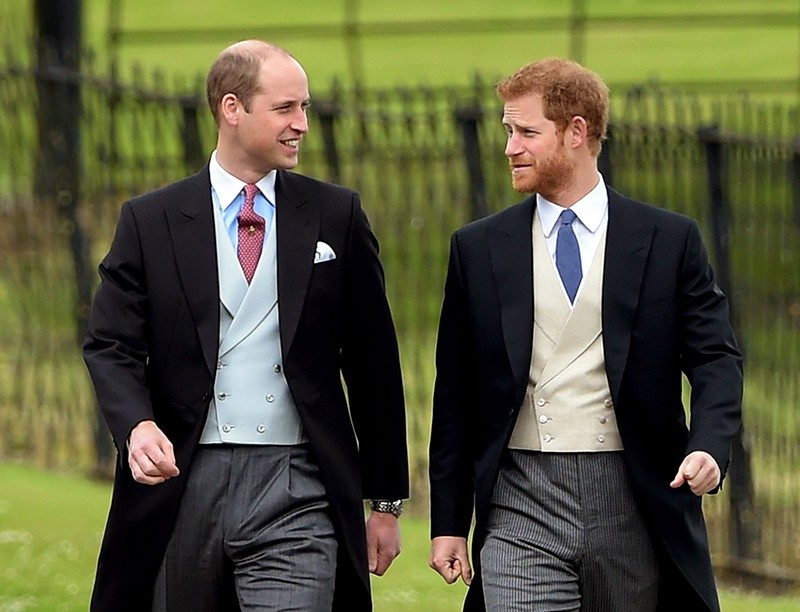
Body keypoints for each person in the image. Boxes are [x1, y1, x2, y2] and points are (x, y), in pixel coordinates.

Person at [83, 39, 408, 612]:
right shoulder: (150, 219)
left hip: (298, 484)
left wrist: (385, 502)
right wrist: (135, 425)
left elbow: (373, 361)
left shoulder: (337, 214)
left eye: (305, 108)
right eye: (286, 108)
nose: (302, 124)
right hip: (182, 481)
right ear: (232, 108)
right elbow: (111, 343)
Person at [428, 57, 743, 611]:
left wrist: (711, 447)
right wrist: (449, 522)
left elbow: (715, 357)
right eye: (508, 131)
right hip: (519, 498)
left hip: (635, 495)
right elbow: (454, 394)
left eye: (526, 132)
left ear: (577, 132)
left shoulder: (669, 240)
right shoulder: (477, 248)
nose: (510, 147)